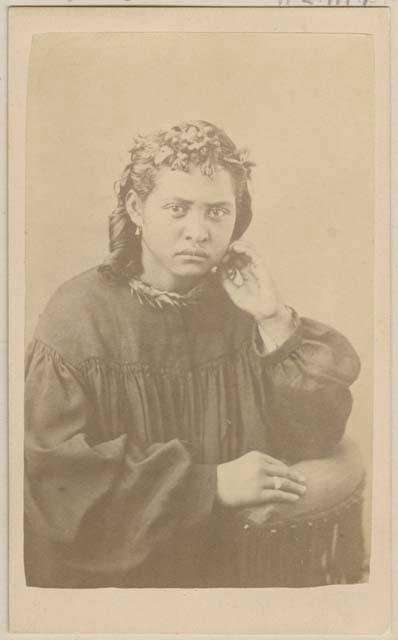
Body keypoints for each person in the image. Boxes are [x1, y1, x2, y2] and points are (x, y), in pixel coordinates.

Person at [24, 120, 361, 588]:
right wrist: (209, 484)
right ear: (136, 207)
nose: (198, 232)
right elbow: (58, 486)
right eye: (177, 209)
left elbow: (318, 437)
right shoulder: (78, 317)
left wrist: (273, 319)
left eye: (217, 211)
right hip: (127, 588)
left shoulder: (241, 307)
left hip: (235, 571)